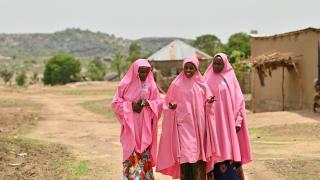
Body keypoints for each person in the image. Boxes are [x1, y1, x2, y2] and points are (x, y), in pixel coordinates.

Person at [157, 55, 219, 180]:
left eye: (192, 68)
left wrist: (209, 103)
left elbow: (208, 106)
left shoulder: (202, 85)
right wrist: (172, 107)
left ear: (196, 69)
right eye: (186, 68)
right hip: (183, 126)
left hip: (199, 129)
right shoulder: (176, 84)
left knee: (198, 157)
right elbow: (167, 104)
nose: (188, 70)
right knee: (186, 156)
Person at [111, 59, 163, 180]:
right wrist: (131, 106)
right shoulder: (125, 84)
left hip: (145, 127)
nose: (144, 75)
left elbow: (159, 103)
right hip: (131, 126)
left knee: (144, 155)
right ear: (135, 71)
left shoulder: (151, 84)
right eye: (141, 72)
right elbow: (115, 104)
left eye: (146, 72)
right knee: (131, 152)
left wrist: (147, 104)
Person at [204, 53, 252, 180]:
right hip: (212, 124)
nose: (217, 66)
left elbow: (239, 100)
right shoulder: (206, 78)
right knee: (214, 153)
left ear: (225, 64)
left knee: (229, 152)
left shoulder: (230, 77)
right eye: (215, 63)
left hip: (228, 125)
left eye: (220, 63)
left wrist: (238, 121)